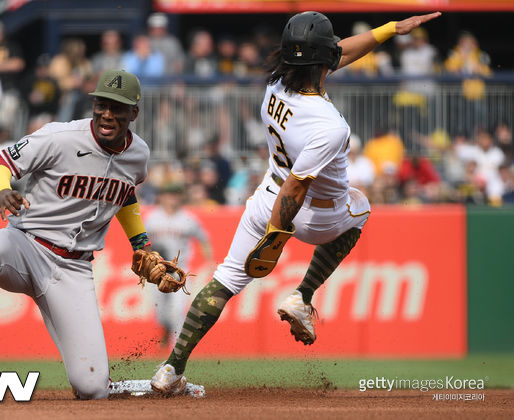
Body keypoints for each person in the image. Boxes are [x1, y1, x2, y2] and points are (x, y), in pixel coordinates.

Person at [150, 10, 441, 395]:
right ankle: (302, 295)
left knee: (224, 281)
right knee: (362, 206)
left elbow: (337, 53)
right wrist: (277, 236)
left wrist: (390, 29)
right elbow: (296, 190)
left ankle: (170, 370)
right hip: (311, 213)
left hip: (264, 195)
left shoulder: (275, 83)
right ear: (323, 61)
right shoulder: (330, 125)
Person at [0, 70, 159, 400]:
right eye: (101, 104)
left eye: (116, 108)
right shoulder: (60, 137)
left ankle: (127, 387)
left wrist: (140, 241)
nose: (106, 114)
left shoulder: (138, 155)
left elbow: (126, 193)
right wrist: (3, 190)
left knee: (92, 388)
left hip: (73, 270)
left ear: (133, 113)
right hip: (26, 244)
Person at [145, 183, 212, 346]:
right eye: (170, 195)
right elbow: (143, 244)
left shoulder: (188, 218)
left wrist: (210, 261)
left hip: (180, 271)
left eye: (176, 195)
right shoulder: (152, 218)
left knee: (177, 311)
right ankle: (166, 328)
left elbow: (204, 239)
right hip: (157, 272)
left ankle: (176, 352)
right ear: (162, 197)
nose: (173, 198)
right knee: (160, 312)